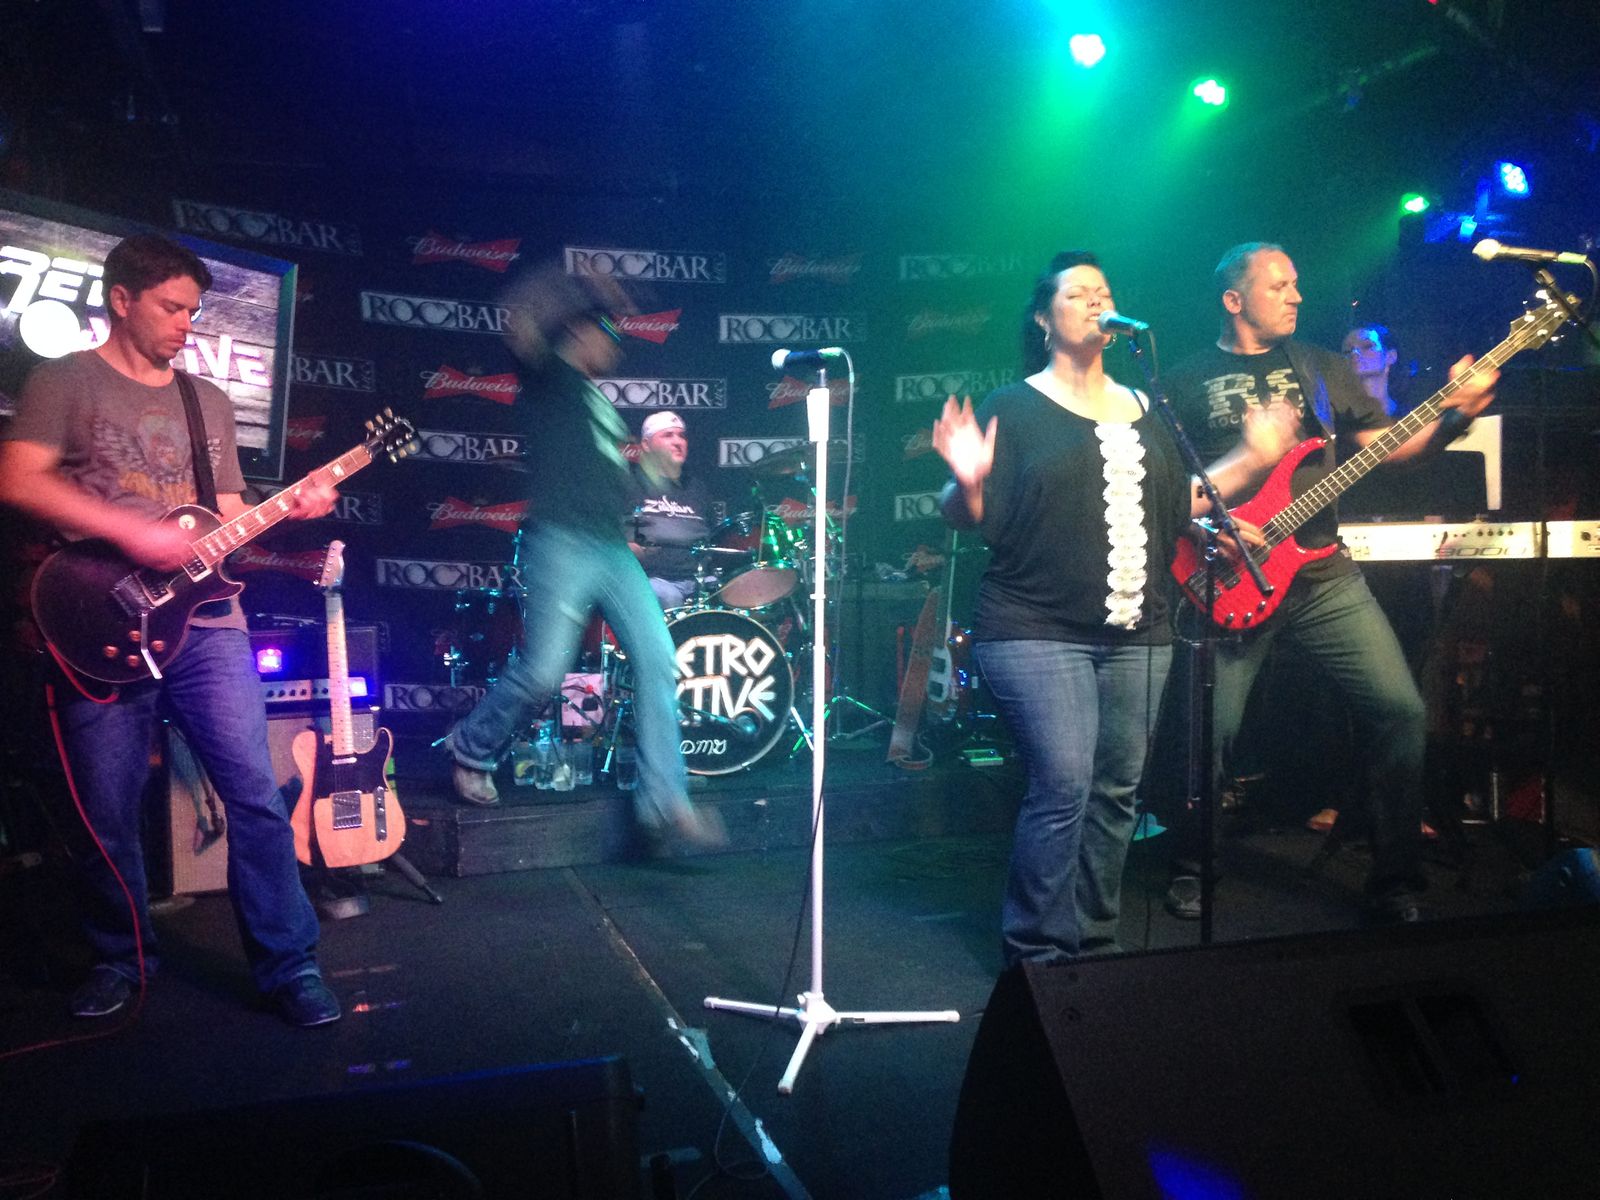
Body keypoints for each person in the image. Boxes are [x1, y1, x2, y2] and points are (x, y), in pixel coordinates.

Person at [0, 233, 342, 1025]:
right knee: (105, 809)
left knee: (255, 795)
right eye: (172, 307)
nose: (188, 323)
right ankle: (120, 958)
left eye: (194, 309)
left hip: (208, 623)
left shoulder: (206, 399)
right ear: (121, 299)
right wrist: (131, 533)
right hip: (99, 618)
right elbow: (15, 477)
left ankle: (289, 965)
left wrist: (291, 507)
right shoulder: (64, 380)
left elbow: (227, 515)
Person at [1158, 242, 1496, 923]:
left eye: (1297, 282)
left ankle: (1395, 879)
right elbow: (1161, 488)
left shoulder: (1320, 368)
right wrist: (1207, 529)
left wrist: (1454, 414)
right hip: (1228, 575)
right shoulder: (1185, 381)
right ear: (1234, 300)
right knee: (1209, 736)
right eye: (1279, 285)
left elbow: (1389, 449)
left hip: (1322, 573)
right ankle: (1195, 864)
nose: (1297, 295)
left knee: (1400, 712)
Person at [932, 250, 1210, 961]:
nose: (1095, 301)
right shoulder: (1014, 405)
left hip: (1139, 629)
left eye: (1103, 291)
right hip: (1034, 627)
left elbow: (1180, 503)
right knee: (1063, 782)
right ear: (1042, 319)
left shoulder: (1149, 406)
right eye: (1078, 293)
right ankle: (1039, 955)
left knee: (1117, 791)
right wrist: (967, 481)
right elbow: (966, 513)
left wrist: (1259, 458)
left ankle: (1094, 941)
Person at [442, 262, 725, 849]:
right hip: (561, 540)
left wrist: (639, 501)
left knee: (658, 657)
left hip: (610, 547)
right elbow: (519, 314)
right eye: (608, 335)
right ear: (578, 331)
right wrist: (578, 287)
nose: (615, 348)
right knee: (545, 670)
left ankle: (665, 801)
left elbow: (605, 482)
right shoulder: (548, 376)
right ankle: (471, 746)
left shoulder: (601, 404)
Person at [625, 411, 713, 610]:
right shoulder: (629, 484)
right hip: (652, 580)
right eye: (668, 435)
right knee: (666, 595)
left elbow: (715, 539)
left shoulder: (697, 488)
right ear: (646, 445)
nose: (678, 442)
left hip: (698, 580)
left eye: (681, 435)